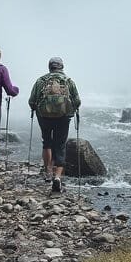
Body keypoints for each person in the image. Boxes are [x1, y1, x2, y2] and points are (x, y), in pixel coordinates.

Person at [28, 56, 81, 193]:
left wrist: (36, 109)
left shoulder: (41, 80)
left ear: (49, 67)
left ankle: (48, 172)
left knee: (47, 142)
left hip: (44, 116)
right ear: (61, 67)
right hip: (63, 117)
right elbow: (77, 101)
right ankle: (57, 177)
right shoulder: (68, 81)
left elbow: (32, 101)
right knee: (60, 145)